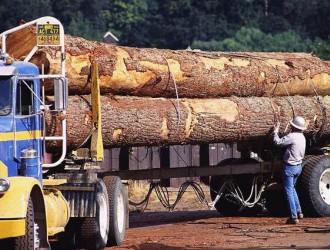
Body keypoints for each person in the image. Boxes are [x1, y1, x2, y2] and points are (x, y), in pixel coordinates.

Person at [273, 116, 307, 224]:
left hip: (290, 167)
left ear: (293, 126)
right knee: (292, 189)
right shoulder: (302, 137)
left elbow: (278, 143)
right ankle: (299, 211)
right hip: (298, 167)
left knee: (289, 192)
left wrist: (275, 132)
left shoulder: (292, 136)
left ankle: (293, 217)